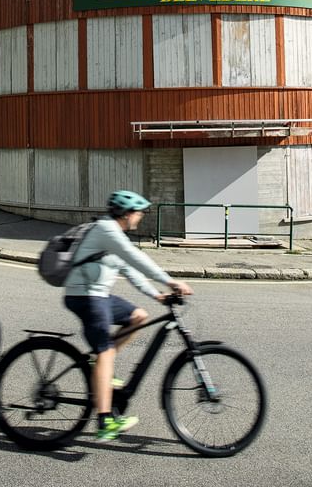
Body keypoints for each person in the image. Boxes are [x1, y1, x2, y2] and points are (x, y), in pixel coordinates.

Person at [63, 189, 193, 442]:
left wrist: (156, 295)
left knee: (138, 316)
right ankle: (105, 422)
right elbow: (137, 257)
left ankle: (99, 363)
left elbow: (130, 268)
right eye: (139, 213)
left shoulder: (114, 236)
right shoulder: (107, 230)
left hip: (98, 295)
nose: (141, 217)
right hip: (85, 296)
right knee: (105, 352)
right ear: (127, 213)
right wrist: (170, 282)